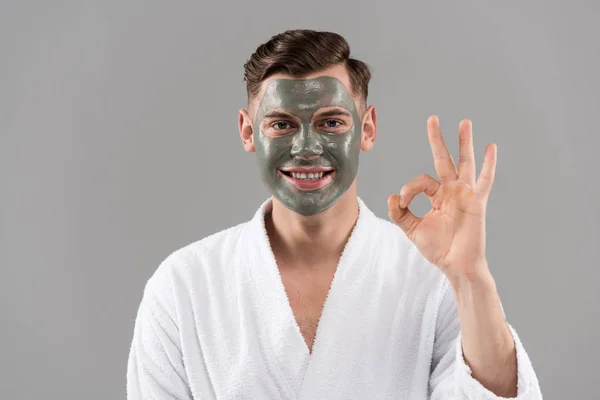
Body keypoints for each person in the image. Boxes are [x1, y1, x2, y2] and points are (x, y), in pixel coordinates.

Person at [127, 29, 542, 399]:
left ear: (367, 128)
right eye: (282, 125)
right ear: (248, 131)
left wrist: (471, 276)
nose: (306, 146)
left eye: (330, 122)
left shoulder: (433, 277)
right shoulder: (183, 286)